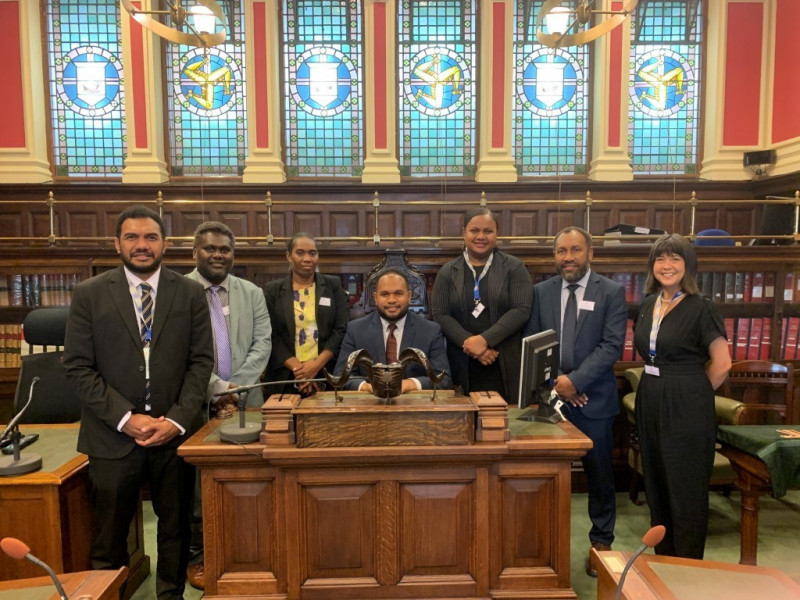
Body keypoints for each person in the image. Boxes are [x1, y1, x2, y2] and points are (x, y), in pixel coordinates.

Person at [64, 205, 213, 600]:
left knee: (175, 528)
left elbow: (202, 363)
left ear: (165, 244)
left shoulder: (191, 292)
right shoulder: (89, 295)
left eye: (150, 237)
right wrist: (126, 418)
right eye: (132, 237)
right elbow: (78, 367)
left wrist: (177, 421)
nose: (142, 246)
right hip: (112, 437)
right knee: (108, 536)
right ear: (117, 244)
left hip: (174, 436)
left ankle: (170, 595)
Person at [524, 226, 627, 577]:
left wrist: (577, 381)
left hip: (593, 400)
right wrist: (559, 384)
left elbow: (611, 346)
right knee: (545, 477)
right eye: (561, 251)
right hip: (551, 400)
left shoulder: (611, 292)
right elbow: (536, 340)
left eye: (575, 250)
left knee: (600, 475)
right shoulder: (540, 292)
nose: (568, 257)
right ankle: (543, 543)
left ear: (590, 254)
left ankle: (601, 542)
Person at [184, 221, 272, 590]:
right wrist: (217, 388)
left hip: (248, 401)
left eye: (224, 249)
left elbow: (263, 342)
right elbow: (178, 352)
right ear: (195, 253)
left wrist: (236, 387)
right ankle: (203, 554)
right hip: (194, 400)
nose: (218, 255)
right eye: (210, 249)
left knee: (251, 481)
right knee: (199, 486)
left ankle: (253, 552)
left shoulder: (251, 292)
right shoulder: (179, 291)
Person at [633, 233, 731, 559]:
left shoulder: (702, 308)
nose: (667, 265)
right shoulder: (648, 304)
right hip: (651, 396)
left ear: (688, 265)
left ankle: (687, 568)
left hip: (686, 402)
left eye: (675, 258)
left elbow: (721, 364)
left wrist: (693, 395)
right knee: (657, 485)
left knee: (684, 488)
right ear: (652, 265)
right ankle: (665, 560)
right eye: (661, 258)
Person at [431, 207, 532, 402]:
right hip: (462, 361)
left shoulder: (514, 267)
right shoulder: (448, 271)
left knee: (503, 424)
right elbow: (440, 314)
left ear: (497, 234)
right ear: (463, 233)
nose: (481, 236)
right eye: (474, 230)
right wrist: (471, 344)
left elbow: (521, 310)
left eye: (488, 231)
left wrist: (484, 340)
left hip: (504, 361)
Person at [333, 268, 452, 391]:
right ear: (375, 297)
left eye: (398, 293)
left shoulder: (431, 331)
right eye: (384, 294)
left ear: (409, 296)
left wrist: (409, 384)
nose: (392, 300)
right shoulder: (355, 330)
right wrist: (368, 387)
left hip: (413, 406)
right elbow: (340, 377)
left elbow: (443, 379)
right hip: (369, 404)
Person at [265, 233, 349, 395]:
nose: (307, 258)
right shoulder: (273, 290)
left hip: (325, 375)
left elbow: (341, 329)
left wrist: (315, 366)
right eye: (300, 253)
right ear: (288, 256)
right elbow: (271, 334)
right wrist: (300, 370)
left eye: (312, 253)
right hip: (286, 376)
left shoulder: (333, 285)